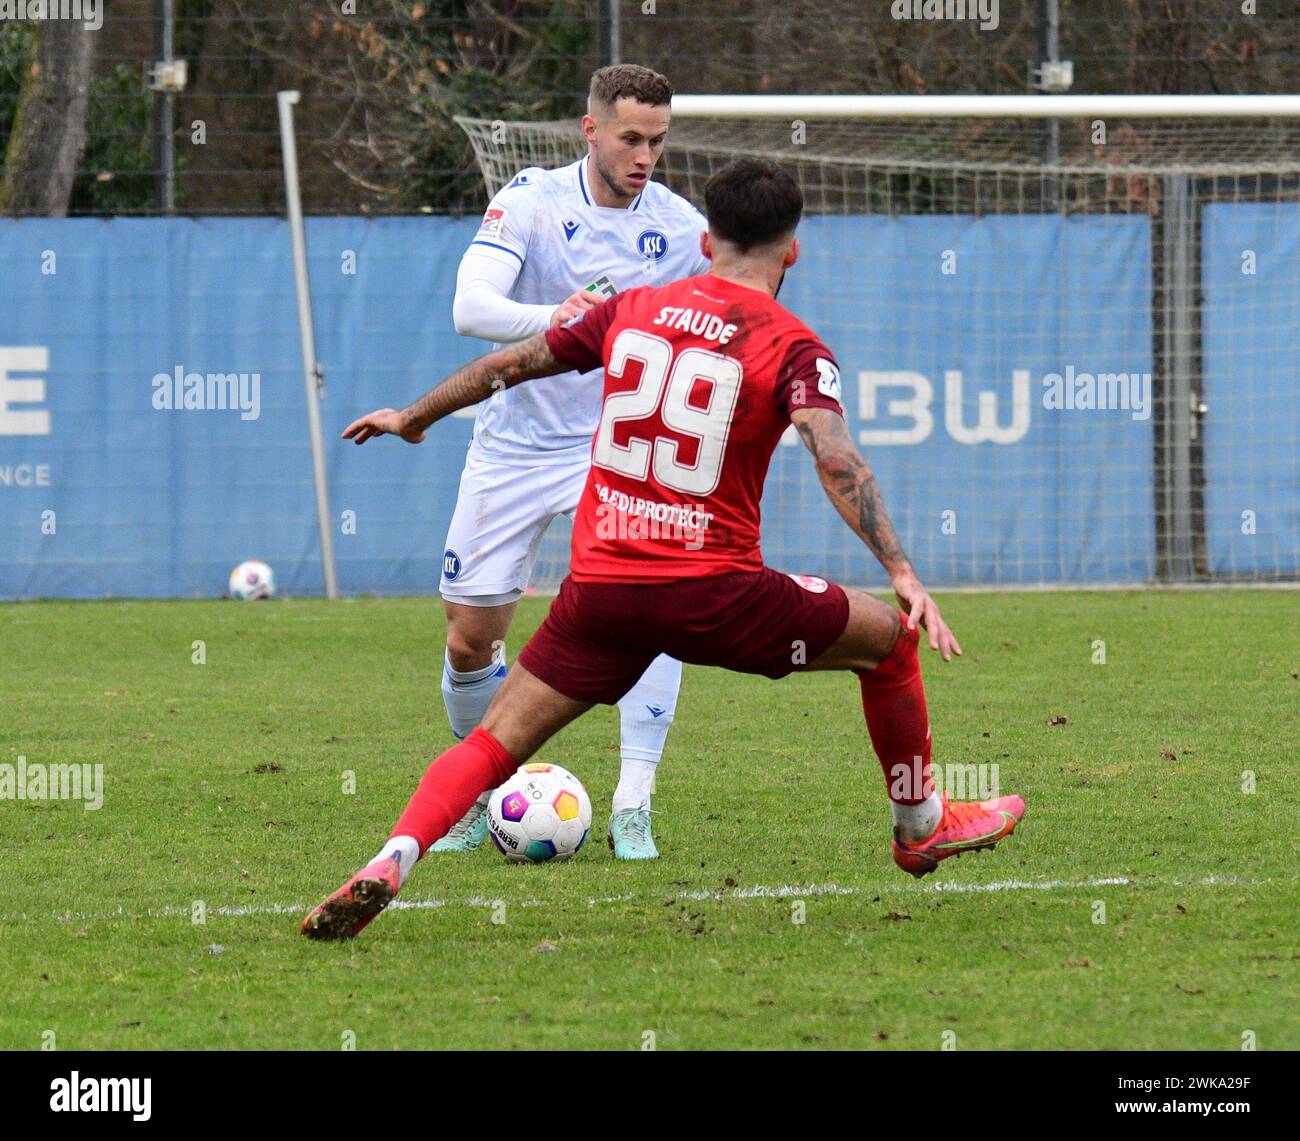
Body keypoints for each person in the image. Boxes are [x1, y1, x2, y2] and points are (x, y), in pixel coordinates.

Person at [303, 158, 1025, 942]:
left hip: (602, 591)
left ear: (707, 238)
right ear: (794, 251)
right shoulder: (795, 347)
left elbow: (506, 365)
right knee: (888, 643)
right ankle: (920, 828)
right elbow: (836, 456)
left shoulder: (634, 309)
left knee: (492, 742)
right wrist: (902, 568)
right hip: (716, 594)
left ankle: (394, 855)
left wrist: (416, 414)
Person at [432, 63, 709, 860]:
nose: (645, 155)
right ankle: (478, 793)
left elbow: (729, 314)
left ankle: (633, 802)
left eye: (657, 140)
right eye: (630, 137)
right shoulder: (531, 202)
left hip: (615, 449)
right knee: (469, 638)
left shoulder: (679, 226)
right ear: (590, 130)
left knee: (647, 608)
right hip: (515, 445)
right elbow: (470, 308)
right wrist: (556, 318)